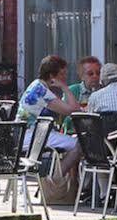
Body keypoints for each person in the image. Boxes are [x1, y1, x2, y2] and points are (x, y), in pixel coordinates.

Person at [18, 54, 82, 200]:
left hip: (26, 134)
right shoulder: (42, 91)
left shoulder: (36, 85)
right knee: (79, 145)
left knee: (71, 143)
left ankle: (61, 180)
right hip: (33, 136)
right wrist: (65, 88)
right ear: (53, 75)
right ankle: (53, 180)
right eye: (63, 74)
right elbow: (73, 110)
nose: (65, 76)